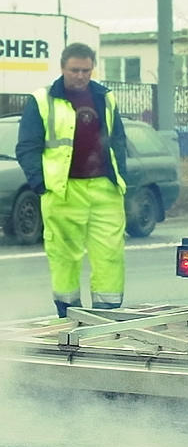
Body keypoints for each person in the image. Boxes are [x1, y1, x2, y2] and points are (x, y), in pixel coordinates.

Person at [15, 42, 127, 316]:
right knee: (64, 257)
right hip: (62, 191)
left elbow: (118, 140)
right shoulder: (42, 100)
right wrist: (42, 185)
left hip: (104, 189)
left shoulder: (105, 97)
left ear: (93, 69)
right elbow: (27, 147)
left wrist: (120, 175)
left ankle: (106, 312)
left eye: (86, 70)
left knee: (110, 253)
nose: (80, 76)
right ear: (63, 68)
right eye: (75, 70)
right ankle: (68, 313)